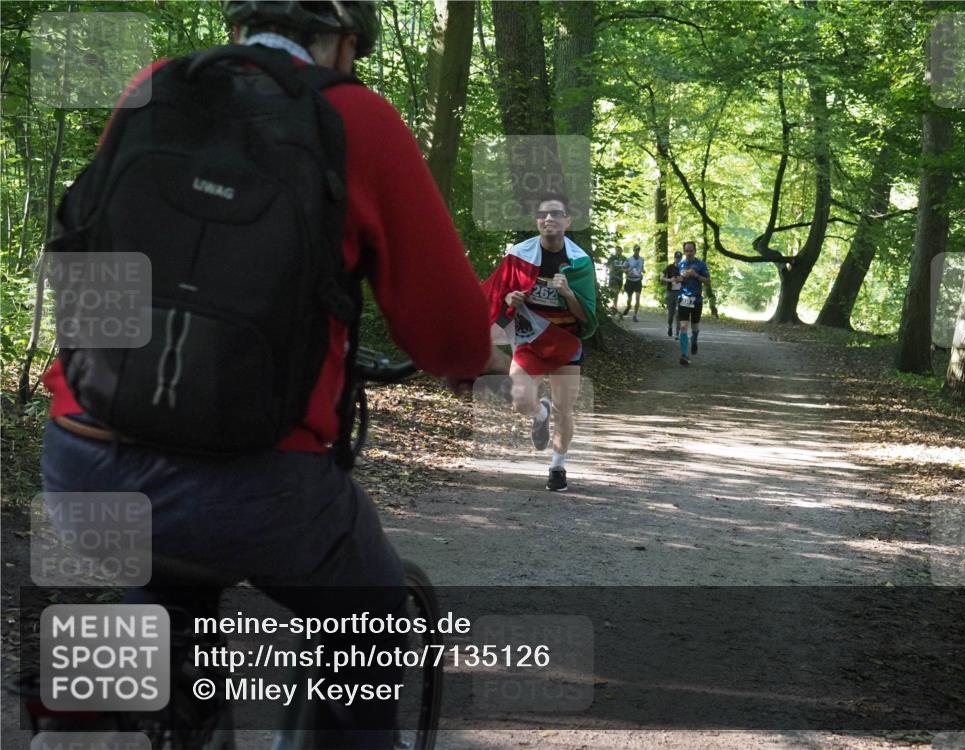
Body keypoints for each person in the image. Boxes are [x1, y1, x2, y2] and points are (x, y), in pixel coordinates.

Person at [39, 3, 492, 747]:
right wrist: (470, 359)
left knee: (154, 583)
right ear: (346, 43)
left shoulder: (155, 85)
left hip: (83, 455)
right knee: (372, 615)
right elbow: (449, 338)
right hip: (256, 486)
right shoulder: (357, 118)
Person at [481, 195, 598, 492]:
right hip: (530, 339)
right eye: (543, 215)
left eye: (556, 214)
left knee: (565, 408)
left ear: (567, 222)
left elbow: (587, 316)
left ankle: (558, 466)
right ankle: (539, 413)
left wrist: (569, 293)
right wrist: (510, 298)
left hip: (565, 341)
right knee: (520, 399)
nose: (549, 219)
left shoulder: (580, 261)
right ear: (537, 221)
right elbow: (499, 293)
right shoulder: (519, 255)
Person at [676, 240, 710, 365]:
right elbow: (677, 280)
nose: (689, 253)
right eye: (686, 251)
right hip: (684, 298)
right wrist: (679, 278)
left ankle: (694, 339)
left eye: (691, 250)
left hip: (696, 299)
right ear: (684, 251)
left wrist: (695, 275)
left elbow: (707, 281)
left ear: (695, 251)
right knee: (684, 326)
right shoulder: (680, 264)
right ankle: (684, 355)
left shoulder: (701, 264)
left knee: (695, 327)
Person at [660, 250, 683, 338]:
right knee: (671, 314)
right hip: (670, 292)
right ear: (674, 258)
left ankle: (677, 333)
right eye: (677, 258)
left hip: (680, 292)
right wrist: (669, 280)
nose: (678, 260)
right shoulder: (669, 267)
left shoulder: (683, 267)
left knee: (678, 313)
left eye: (679, 258)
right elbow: (661, 277)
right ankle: (670, 326)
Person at [623, 244, 645, 322]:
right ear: (633, 250)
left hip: (638, 281)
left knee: (637, 298)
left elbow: (642, 268)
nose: (637, 251)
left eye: (638, 249)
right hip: (629, 280)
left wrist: (642, 272)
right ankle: (628, 306)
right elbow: (624, 268)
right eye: (636, 249)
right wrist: (627, 271)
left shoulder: (642, 259)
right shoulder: (629, 259)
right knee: (629, 299)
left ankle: (635, 315)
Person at [606, 246, 627, 312]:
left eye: (619, 250)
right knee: (613, 291)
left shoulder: (624, 258)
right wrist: (611, 268)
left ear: (621, 251)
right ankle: (613, 305)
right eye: (617, 250)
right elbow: (607, 265)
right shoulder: (612, 257)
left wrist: (625, 271)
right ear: (615, 250)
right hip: (612, 276)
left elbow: (627, 267)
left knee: (617, 292)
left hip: (620, 277)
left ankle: (614, 305)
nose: (618, 251)